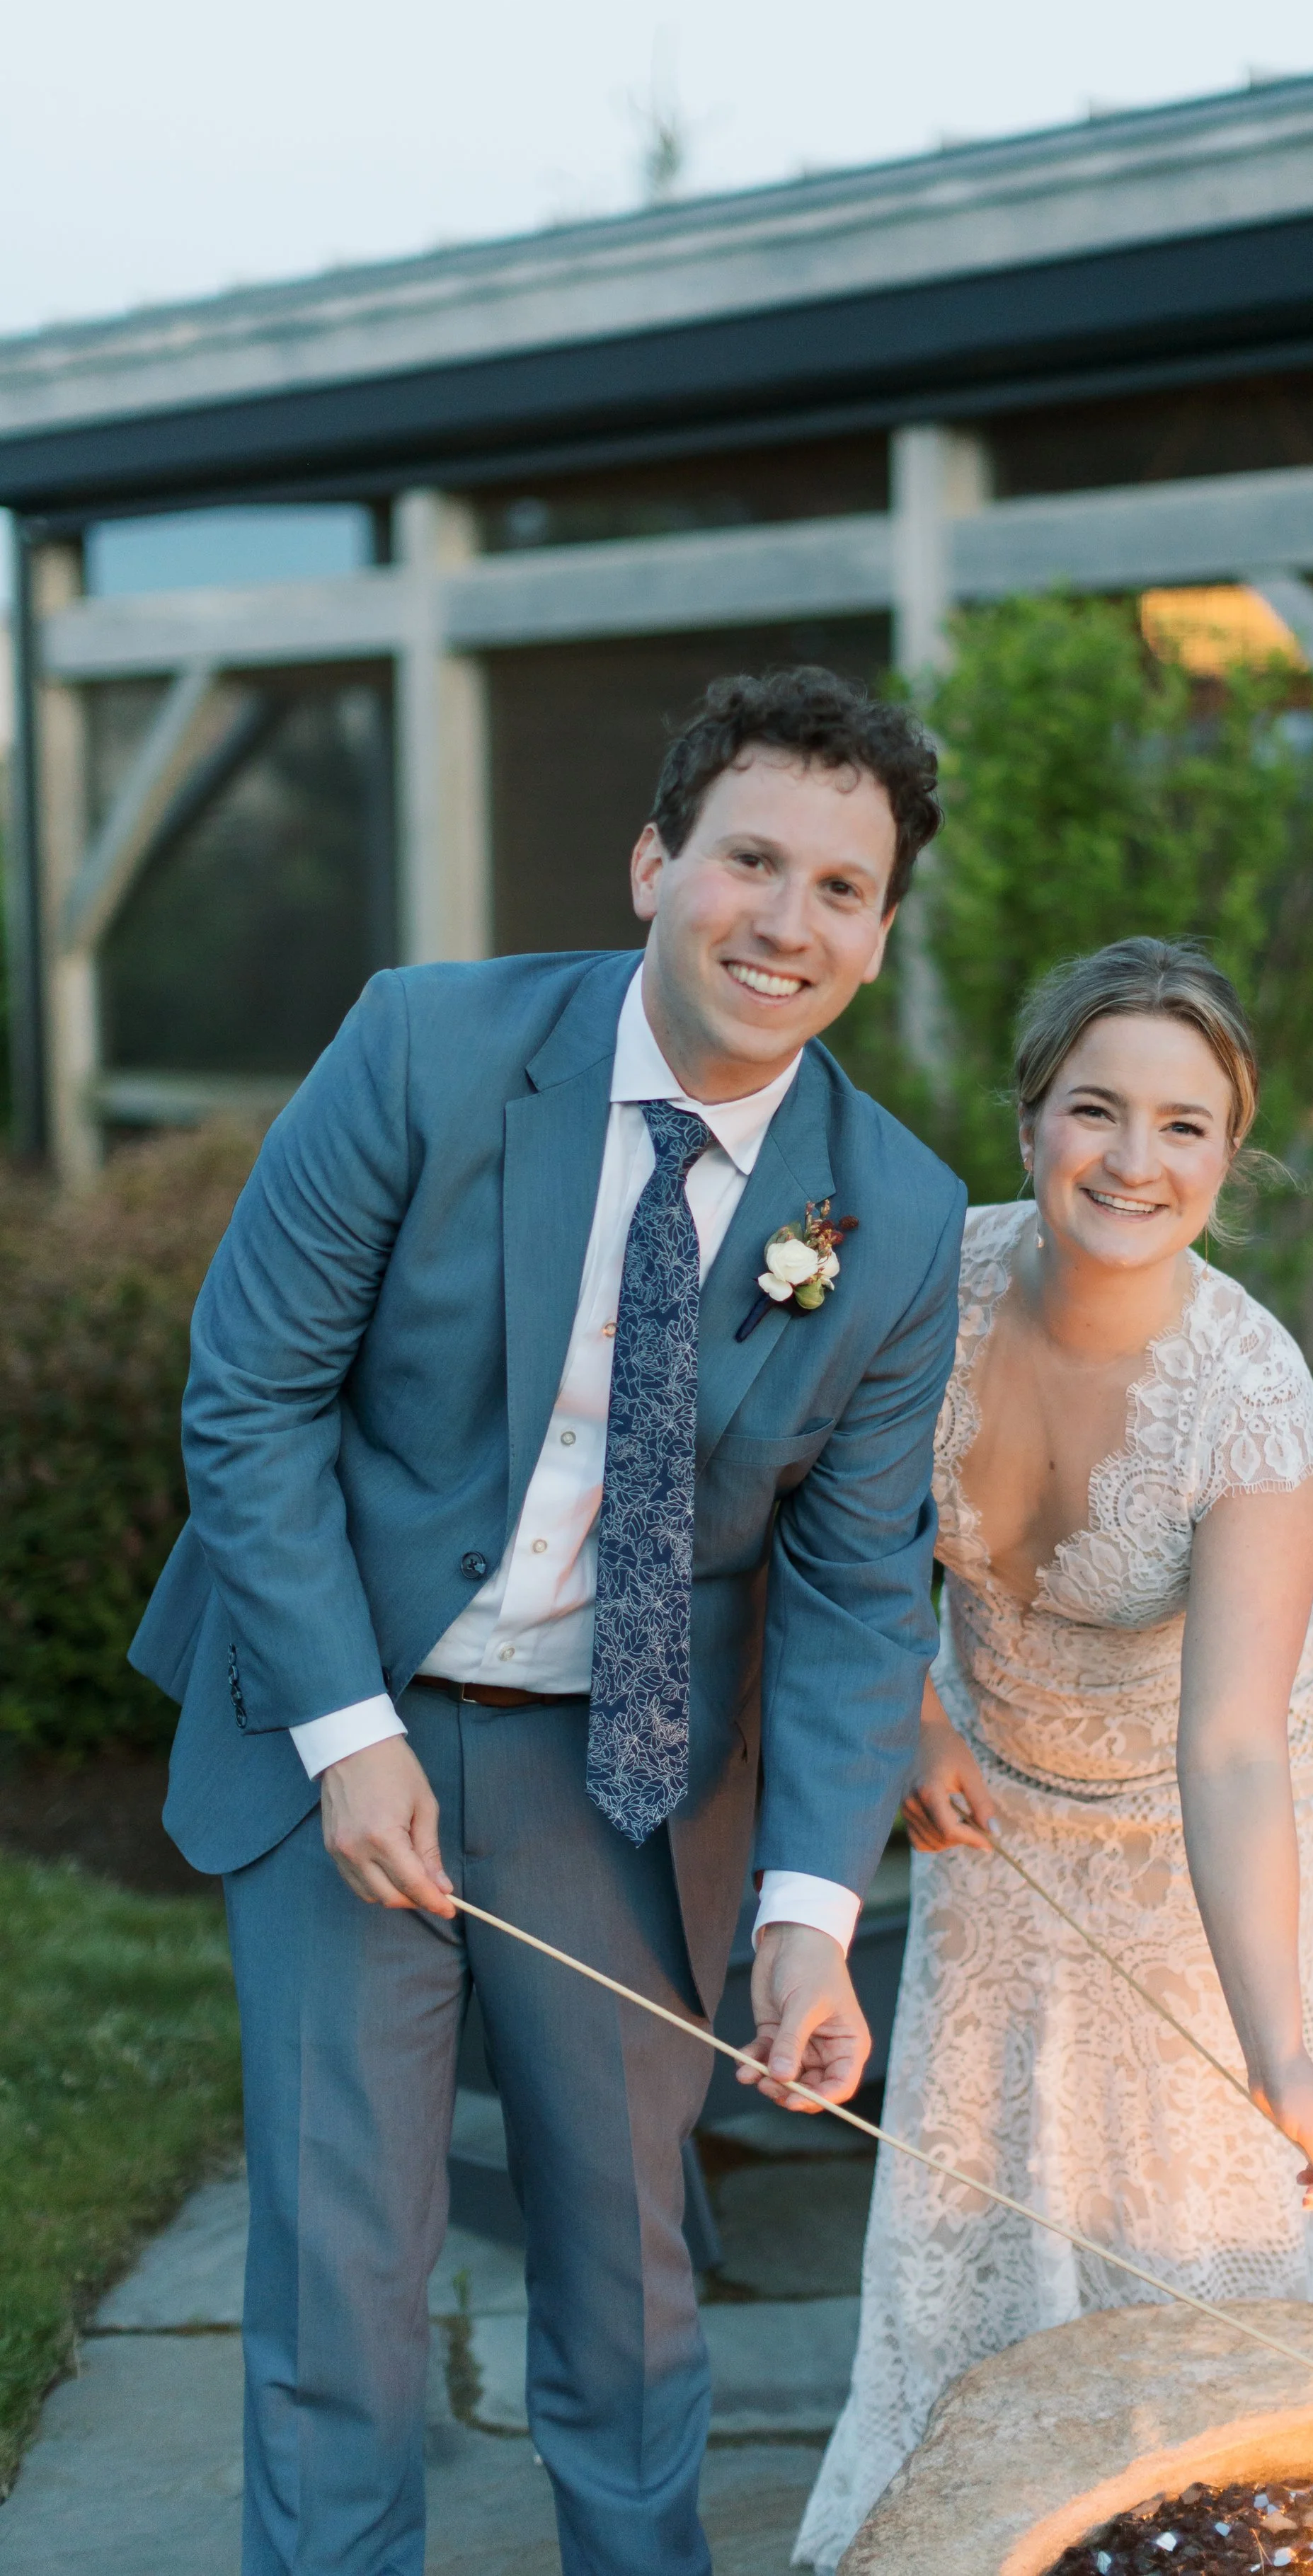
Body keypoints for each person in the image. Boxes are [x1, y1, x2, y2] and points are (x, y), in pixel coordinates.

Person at [129, 666, 966, 2576]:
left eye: (841, 888)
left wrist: (809, 1920)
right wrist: (343, 1733)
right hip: (342, 1694)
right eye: (750, 858)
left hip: (629, 1766)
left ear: (878, 933)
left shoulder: (894, 1217)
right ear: (654, 861)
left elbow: (853, 1583)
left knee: (631, 2247)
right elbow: (248, 1392)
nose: (786, 918)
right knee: (345, 2249)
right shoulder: (425, 1045)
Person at [796, 936, 1313, 2572]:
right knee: (976, 2169)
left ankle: (1192, 2520)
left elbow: (1232, 1751)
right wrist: (910, 1709)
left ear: (1228, 1153)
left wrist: (1287, 2056)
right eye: (1094, 1111)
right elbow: (825, 1538)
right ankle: (959, 2518)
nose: (1134, 1160)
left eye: (1184, 1126)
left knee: (1190, 2194)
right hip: (996, 1775)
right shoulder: (926, 1281)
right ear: (1030, 1117)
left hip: (1217, 1791)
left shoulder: (1250, 1402)